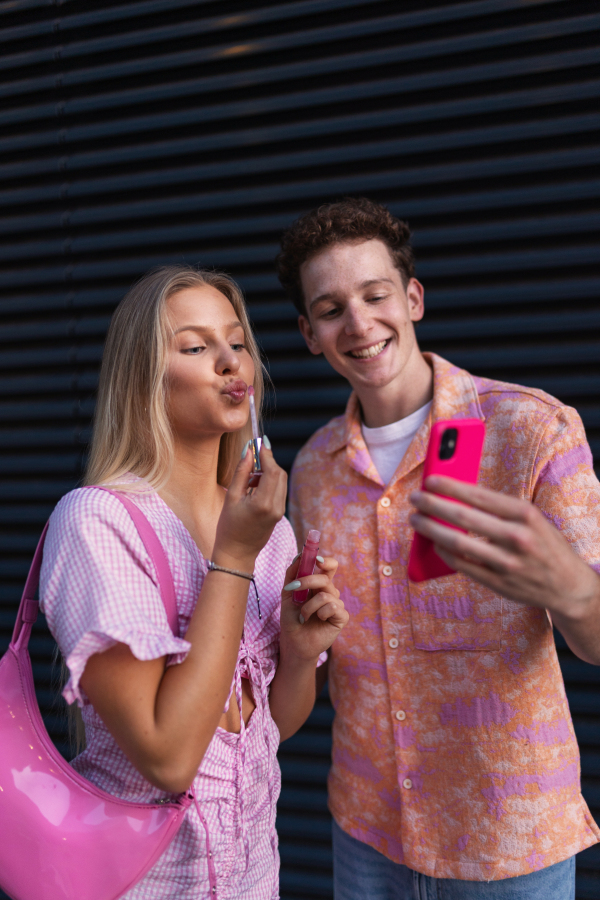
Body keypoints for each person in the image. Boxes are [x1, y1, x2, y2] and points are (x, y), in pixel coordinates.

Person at [278, 198, 600, 899]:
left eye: (375, 294)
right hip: (366, 838)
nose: (358, 324)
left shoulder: (531, 431)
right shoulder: (309, 470)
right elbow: (307, 667)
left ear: (413, 298)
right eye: (330, 309)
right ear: (309, 333)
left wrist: (572, 588)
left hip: (510, 845)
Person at [39, 266, 348, 900]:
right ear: (144, 378)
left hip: (255, 879)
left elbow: (270, 731)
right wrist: (233, 554)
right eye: (195, 346)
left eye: (237, 342)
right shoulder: (99, 520)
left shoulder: (270, 531)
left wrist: (296, 654)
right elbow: (171, 758)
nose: (229, 361)